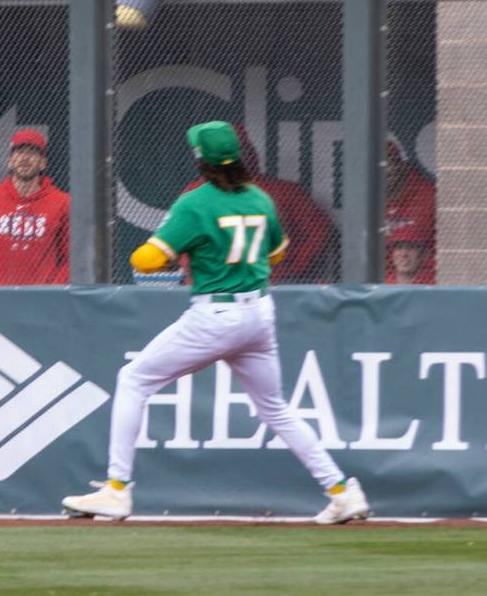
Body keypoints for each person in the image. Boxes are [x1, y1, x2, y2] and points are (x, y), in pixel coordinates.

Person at [62, 121, 368, 524]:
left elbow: (146, 260)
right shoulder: (259, 198)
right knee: (276, 409)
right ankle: (342, 491)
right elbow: (277, 253)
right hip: (258, 312)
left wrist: (177, 249)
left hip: (216, 313)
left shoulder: (196, 201)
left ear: (200, 159)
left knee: (134, 379)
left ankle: (117, 490)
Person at [180, 124, 336, 283]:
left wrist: (293, 268)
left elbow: (320, 231)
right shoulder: (194, 191)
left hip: (261, 284)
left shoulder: (283, 191)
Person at [0, 129, 70, 286]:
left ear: (43, 163)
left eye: (32, 152)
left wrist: (51, 291)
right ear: (10, 160)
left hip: (42, 298)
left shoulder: (62, 202)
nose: (25, 157)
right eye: (19, 152)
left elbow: (71, 257)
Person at [385, 140, 436, 283]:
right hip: (388, 278)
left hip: (427, 277)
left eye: (388, 163)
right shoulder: (367, 200)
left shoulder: (427, 196)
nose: (382, 172)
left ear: (401, 165)